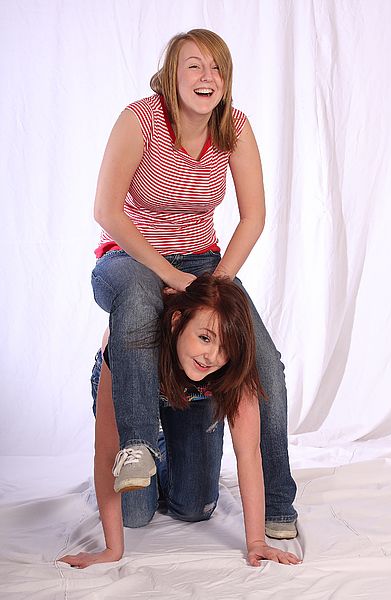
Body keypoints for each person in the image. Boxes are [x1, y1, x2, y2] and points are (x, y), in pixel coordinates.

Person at [90, 28, 297, 540]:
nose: (207, 77)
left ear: (226, 81)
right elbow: (107, 212)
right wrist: (168, 274)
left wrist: (216, 285)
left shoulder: (234, 128)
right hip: (129, 255)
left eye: (217, 68)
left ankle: (278, 500)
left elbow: (254, 217)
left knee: (264, 364)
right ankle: (136, 447)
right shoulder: (140, 120)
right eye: (194, 66)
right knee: (138, 301)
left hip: (205, 261)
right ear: (171, 74)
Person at [59, 275, 301, 568]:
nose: (212, 356)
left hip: (194, 398)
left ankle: (164, 446)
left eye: (225, 348)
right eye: (205, 338)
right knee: (134, 514)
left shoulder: (229, 369)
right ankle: (148, 444)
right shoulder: (134, 347)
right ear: (176, 322)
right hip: (137, 383)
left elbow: (248, 453)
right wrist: (112, 550)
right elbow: (107, 451)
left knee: (194, 507)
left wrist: (256, 543)